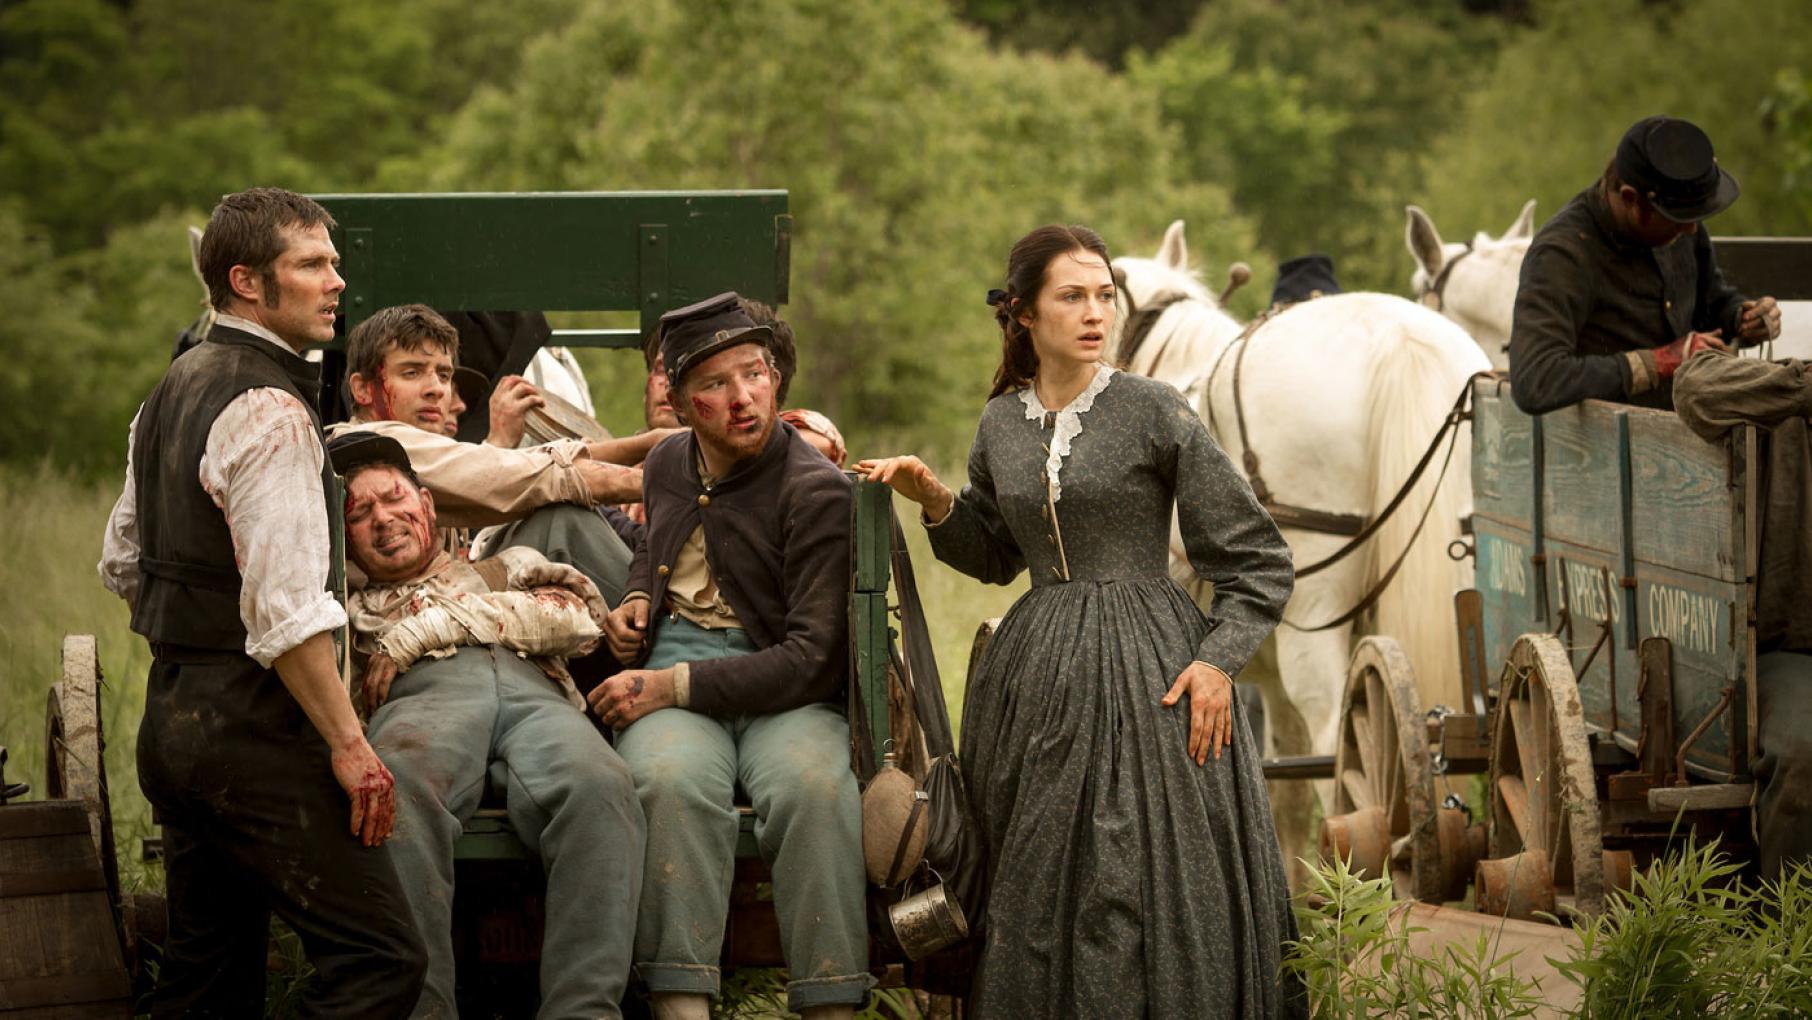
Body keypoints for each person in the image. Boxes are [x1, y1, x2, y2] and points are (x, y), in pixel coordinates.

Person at [858, 225, 1305, 1019]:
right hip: (1035, 682)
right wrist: (934, 501)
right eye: (1073, 296)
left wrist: (1217, 662)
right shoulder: (1001, 422)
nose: (1096, 312)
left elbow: (1257, 559)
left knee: (1139, 872)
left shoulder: (1153, 410)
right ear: (1024, 313)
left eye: (1106, 295)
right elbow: (996, 554)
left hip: (1152, 672)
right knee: (1036, 876)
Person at [98, 187, 425, 1017]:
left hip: (173, 723)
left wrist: (198, 657)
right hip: (255, 733)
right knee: (381, 961)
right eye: (311, 265)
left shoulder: (171, 389)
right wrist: (350, 747)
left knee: (206, 977)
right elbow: (286, 618)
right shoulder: (271, 410)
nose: (336, 281)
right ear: (247, 281)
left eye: (335, 263)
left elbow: (124, 562)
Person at [589, 293, 869, 1020]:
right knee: (664, 779)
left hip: (783, 686)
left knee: (813, 786)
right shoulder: (667, 464)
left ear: (776, 377)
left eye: (754, 373)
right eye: (714, 384)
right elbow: (654, 547)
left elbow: (812, 657)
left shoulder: (816, 490)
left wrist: (669, 686)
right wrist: (637, 602)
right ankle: (682, 1002)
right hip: (677, 659)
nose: (742, 398)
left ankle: (830, 1001)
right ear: (680, 403)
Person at [331, 431, 646, 1019]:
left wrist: (421, 631)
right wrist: (420, 638)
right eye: (359, 512)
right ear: (343, 538)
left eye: (394, 499)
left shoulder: (508, 564)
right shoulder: (352, 606)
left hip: (539, 701)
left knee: (601, 785)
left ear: (426, 506)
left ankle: (584, 1012)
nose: (383, 519)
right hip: (425, 709)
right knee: (393, 786)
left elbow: (577, 619)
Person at [326, 303, 676, 603]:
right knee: (561, 522)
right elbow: (528, 473)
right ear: (361, 389)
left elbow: (522, 466)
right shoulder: (371, 444)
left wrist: (648, 446)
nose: (435, 389)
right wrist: (672, 479)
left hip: (438, 607)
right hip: (403, 626)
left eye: (443, 375)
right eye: (412, 372)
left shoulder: (411, 447)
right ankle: (668, 617)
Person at [1508, 115, 1783, 416]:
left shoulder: (1676, 219)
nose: (1692, 230)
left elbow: (1710, 302)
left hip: (1690, 428)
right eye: (1679, 219)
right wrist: (1657, 362)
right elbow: (1536, 380)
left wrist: (1741, 317)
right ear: (1631, 199)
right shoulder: (1562, 254)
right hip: (1607, 449)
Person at [1672, 351, 1812, 880]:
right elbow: (1695, 387)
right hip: (1794, 649)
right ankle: (1794, 941)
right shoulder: (1788, 402)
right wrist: (1800, 389)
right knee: (1802, 754)